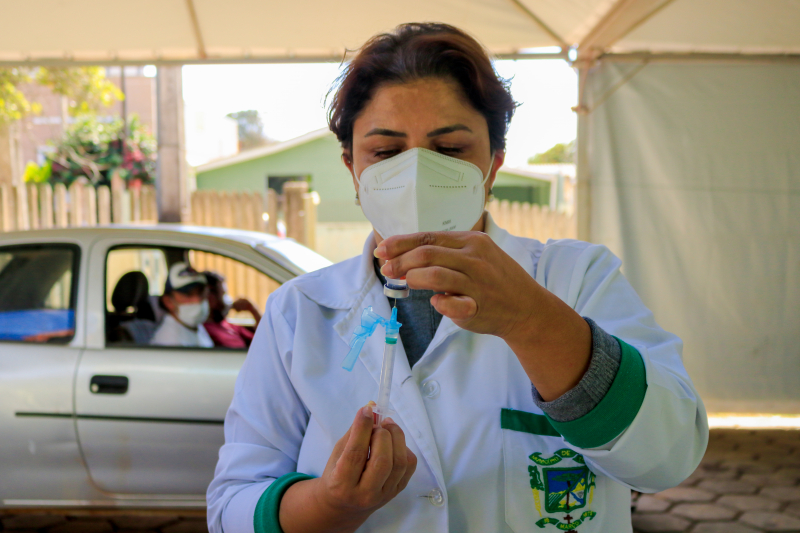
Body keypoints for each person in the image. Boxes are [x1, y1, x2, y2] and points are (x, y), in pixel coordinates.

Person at [208, 23, 708, 533]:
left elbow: (669, 456)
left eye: (449, 150)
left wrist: (532, 320)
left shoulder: (575, 278)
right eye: (385, 153)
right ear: (352, 168)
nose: (417, 174)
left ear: (492, 166)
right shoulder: (300, 312)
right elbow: (232, 507)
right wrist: (330, 505)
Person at [150, 262, 213, 348]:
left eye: (200, 292)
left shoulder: (193, 326)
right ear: (168, 301)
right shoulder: (170, 342)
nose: (197, 300)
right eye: (188, 294)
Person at [204, 271, 261, 349]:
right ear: (210, 298)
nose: (228, 299)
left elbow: (263, 339)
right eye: (223, 294)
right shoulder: (206, 331)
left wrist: (252, 310)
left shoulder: (228, 325)